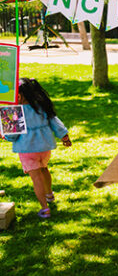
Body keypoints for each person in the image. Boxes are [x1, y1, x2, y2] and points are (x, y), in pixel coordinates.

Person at [2, 78, 72, 218]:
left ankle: (45, 209)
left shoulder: (13, 111)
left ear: (19, 96)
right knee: (44, 169)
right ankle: (49, 195)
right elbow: (55, 122)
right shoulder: (42, 106)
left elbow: (12, 136)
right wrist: (64, 136)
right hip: (45, 148)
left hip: (27, 150)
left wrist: (4, 136)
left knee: (36, 178)